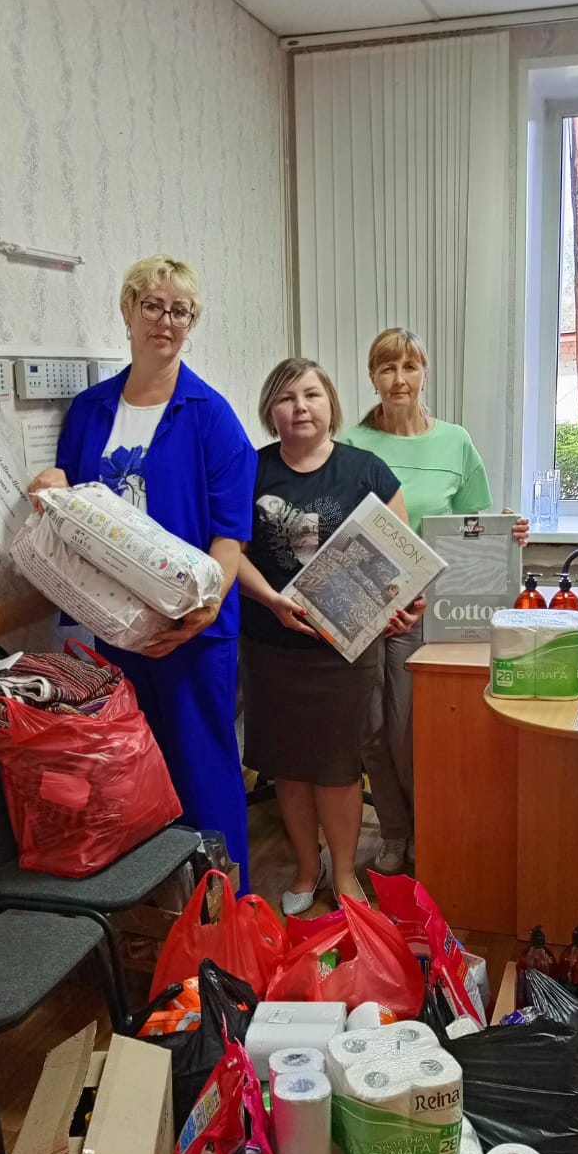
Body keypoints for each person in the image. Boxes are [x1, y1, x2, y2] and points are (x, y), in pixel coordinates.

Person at [27, 256, 257, 890]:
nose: (166, 321)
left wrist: (201, 614)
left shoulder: (210, 415)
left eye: (181, 311)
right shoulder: (91, 410)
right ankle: (157, 911)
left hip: (194, 632)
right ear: (128, 311)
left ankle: (227, 911)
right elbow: (73, 504)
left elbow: (230, 536)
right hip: (115, 628)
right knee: (129, 778)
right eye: (153, 305)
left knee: (203, 775)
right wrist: (51, 483)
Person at [341, 328, 527, 875]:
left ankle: (428, 827)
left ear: (425, 372)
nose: (399, 379)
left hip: (426, 610)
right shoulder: (350, 443)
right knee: (370, 731)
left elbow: (473, 528)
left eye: (409, 367)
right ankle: (394, 833)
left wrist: (507, 532)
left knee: (409, 731)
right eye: (387, 368)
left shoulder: (455, 442)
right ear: (372, 377)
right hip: (360, 603)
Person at [237, 358, 412, 915]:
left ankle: (344, 873)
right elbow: (229, 553)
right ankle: (305, 868)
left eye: (311, 395)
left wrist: (402, 607)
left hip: (344, 651)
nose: (300, 407)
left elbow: (402, 558)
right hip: (271, 646)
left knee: (337, 769)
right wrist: (271, 599)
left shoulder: (366, 470)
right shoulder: (250, 470)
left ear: (330, 403)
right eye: (286, 398)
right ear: (270, 410)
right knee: (288, 767)